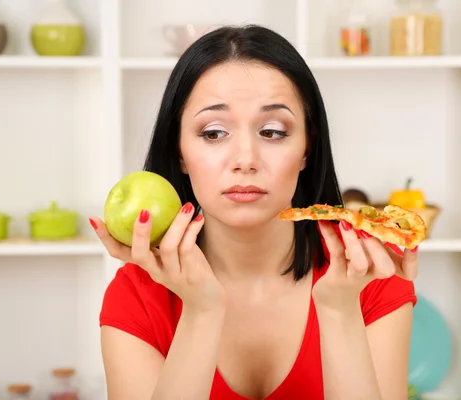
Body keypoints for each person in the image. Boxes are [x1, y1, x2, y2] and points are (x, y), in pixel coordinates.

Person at [91, 24, 419, 400]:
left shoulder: (367, 277)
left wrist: (340, 311)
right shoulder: (136, 295)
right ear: (179, 151)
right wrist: (200, 311)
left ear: (307, 149)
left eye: (273, 131)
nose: (245, 160)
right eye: (213, 133)